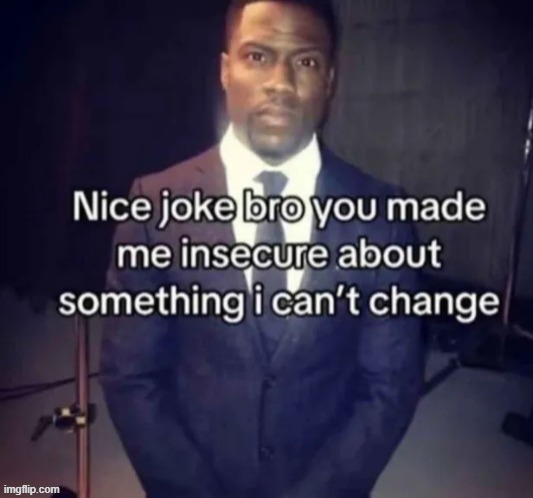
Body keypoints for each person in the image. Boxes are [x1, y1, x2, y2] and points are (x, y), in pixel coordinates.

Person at [99, 1, 426, 497]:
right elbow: (132, 375)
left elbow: (390, 386)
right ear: (225, 69)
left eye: (306, 61)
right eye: (257, 56)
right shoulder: (153, 206)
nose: (281, 82)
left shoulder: (383, 218)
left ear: (330, 80)